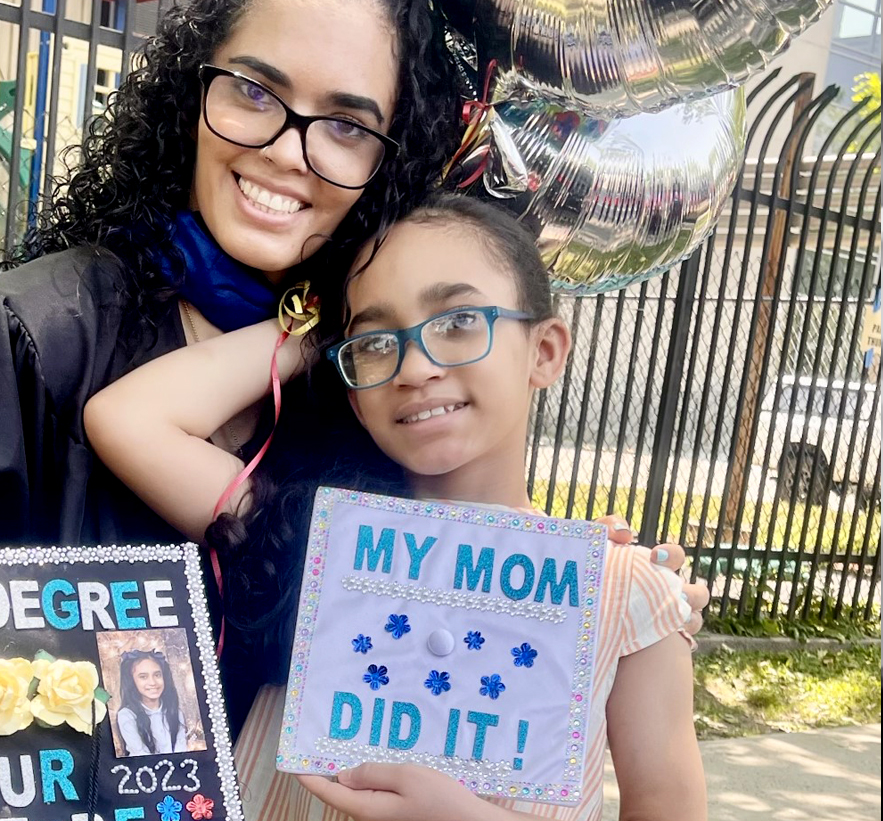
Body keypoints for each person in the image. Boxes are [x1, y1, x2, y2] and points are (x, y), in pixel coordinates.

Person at [0, 0, 703, 817]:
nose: (286, 150)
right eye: (254, 91)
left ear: (389, 157)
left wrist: (602, 592)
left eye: (346, 124)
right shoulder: (18, 341)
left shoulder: (356, 402)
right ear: (195, 94)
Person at [84, 192, 707, 820]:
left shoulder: (624, 594)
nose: (413, 367)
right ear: (353, 389)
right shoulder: (317, 540)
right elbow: (127, 419)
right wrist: (317, 329)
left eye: (459, 322)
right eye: (377, 342)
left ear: (544, 351)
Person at [115, 650, 189, 756]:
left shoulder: (175, 713)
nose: (153, 682)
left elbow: (181, 749)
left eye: (157, 675)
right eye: (143, 677)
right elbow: (140, 753)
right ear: (132, 681)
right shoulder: (126, 715)